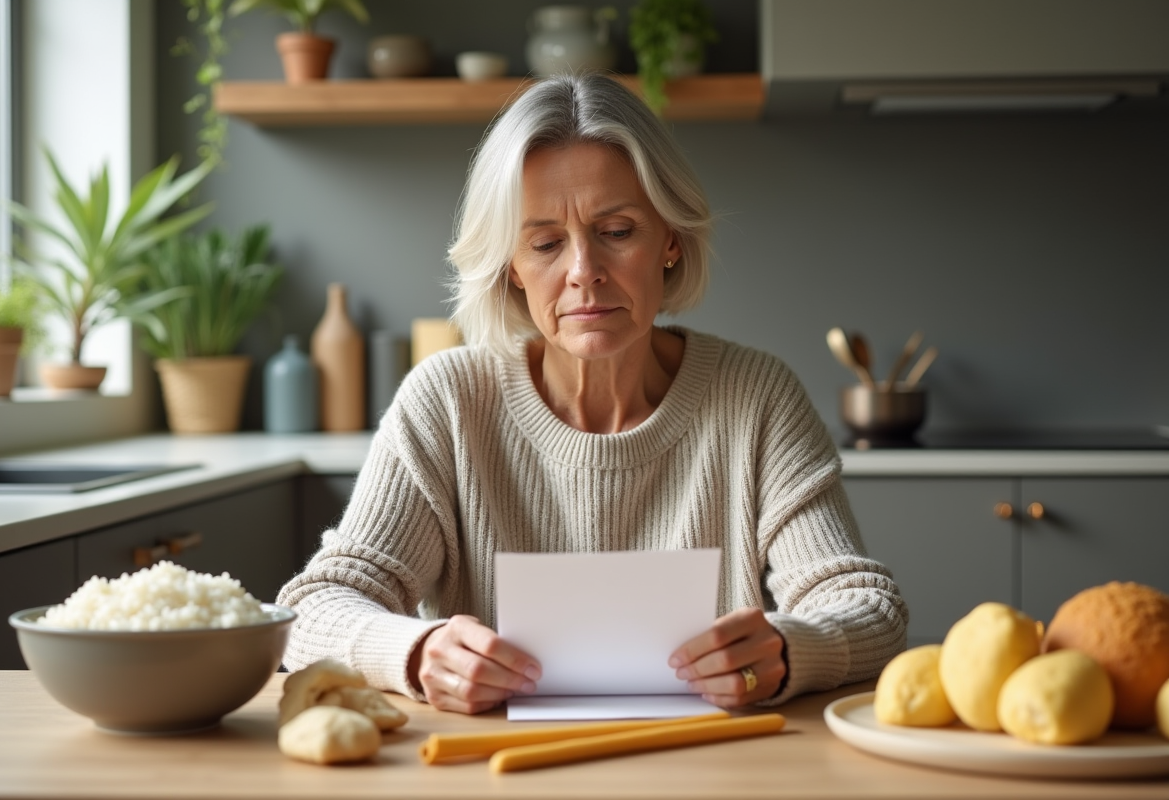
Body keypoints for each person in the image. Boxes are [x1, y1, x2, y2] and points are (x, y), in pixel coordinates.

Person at [278, 73, 908, 715]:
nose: (583, 272)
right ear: (510, 267)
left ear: (670, 239)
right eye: (546, 243)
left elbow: (868, 608)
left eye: (617, 230)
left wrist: (788, 647)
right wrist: (417, 651)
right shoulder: (446, 401)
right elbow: (312, 608)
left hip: (708, 764)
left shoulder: (756, 396)